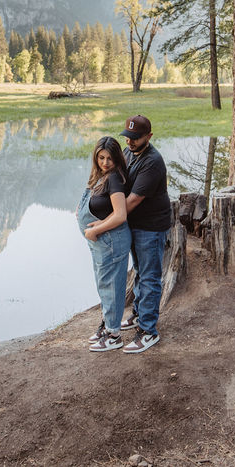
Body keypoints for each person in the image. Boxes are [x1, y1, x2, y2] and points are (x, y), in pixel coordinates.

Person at [118, 114, 171, 354]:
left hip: (150, 227)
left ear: (148, 137)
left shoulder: (152, 161)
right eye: (127, 137)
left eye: (135, 138)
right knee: (139, 271)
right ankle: (139, 314)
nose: (130, 142)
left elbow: (133, 200)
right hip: (135, 224)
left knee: (150, 276)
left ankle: (148, 331)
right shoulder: (128, 152)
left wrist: (108, 221)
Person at [75, 136, 133, 352]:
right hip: (101, 243)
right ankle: (108, 325)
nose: (105, 162)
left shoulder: (114, 179)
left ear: (117, 158)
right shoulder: (101, 176)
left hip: (111, 241)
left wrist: (96, 230)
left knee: (112, 287)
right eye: (101, 157)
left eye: (109, 158)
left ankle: (114, 335)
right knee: (104, 285)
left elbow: (120, 215)